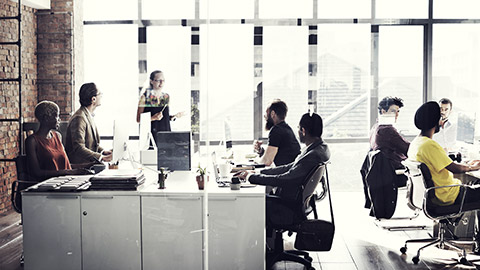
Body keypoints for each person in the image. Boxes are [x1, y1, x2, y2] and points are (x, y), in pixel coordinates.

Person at [407, 101, 480, 253]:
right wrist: (472, 167)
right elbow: (454, 168)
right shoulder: (429, 145)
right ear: (436, 121)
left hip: (434, 195)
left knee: (474, 185)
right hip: (448, 195)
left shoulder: (416, 143)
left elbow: (445, 163)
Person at [238, 112, 330, 226]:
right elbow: (290, 167)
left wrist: (251, 177)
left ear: (303, 130)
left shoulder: (312, 155)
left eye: (298, 128)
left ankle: (254, 242)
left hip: (288, 206)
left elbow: (285, 179)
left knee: (250, 200)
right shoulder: (320, 148)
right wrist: (258, 172)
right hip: (297, 202)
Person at [26, 101, 93, 181]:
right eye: (57, 116)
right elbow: (37, 173)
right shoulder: (32, 141)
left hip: (65, 182)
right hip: (48, 186)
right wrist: (69, 172)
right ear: (46, 118)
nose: (59, 120)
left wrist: (89, 165)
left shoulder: (57, 136)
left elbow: (66, 166)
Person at [66, 83, 112, 163]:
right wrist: (102, 158)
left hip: (88, 165)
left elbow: (91, 143)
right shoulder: (79, 118)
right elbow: (78, 147)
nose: (101, 96)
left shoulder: (87, 115)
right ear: (93, 99)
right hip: (81, 168)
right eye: (100, 94)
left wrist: (103, 152)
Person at [136, 70, 184, 137]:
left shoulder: (166, 97)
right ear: (151, 81)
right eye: (158, 80)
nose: (161, 83)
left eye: (163, 80)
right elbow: (138, 119)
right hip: (151, 136)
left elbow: (164, 117)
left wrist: (173, 117)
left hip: (166, 135)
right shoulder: (144, 98)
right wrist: (153, 118)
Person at [253, 99, 300, 166]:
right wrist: (260, 151)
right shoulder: (286, 129)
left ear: (272, 114)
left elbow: (267, 161)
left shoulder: (276, 130)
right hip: (289, 171)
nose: (264, 116)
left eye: (266, 113)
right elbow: (272, 156)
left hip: (286, 174)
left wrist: (255, 162)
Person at [369, 96, 410, 171]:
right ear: (383, 111)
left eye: (398, 111)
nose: (397, 115)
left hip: (388, 172)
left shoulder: (375, 127)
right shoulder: (387, 130)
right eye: (393, 111)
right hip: (396, 173)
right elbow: (408, 149)